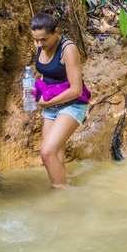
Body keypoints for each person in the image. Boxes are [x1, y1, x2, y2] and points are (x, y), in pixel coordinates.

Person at [31, 12, 90, 187]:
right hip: (51, 104)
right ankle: (67, 191)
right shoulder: (40, 46)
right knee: (56, 155)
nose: (40, 44)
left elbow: (76, 89)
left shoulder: (68, 49)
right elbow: (46, 73)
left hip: (72, 104)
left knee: (47, 152)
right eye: (36, 40)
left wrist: (48, 102)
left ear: (56, 32)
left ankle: (60, 195)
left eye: (44, 39)